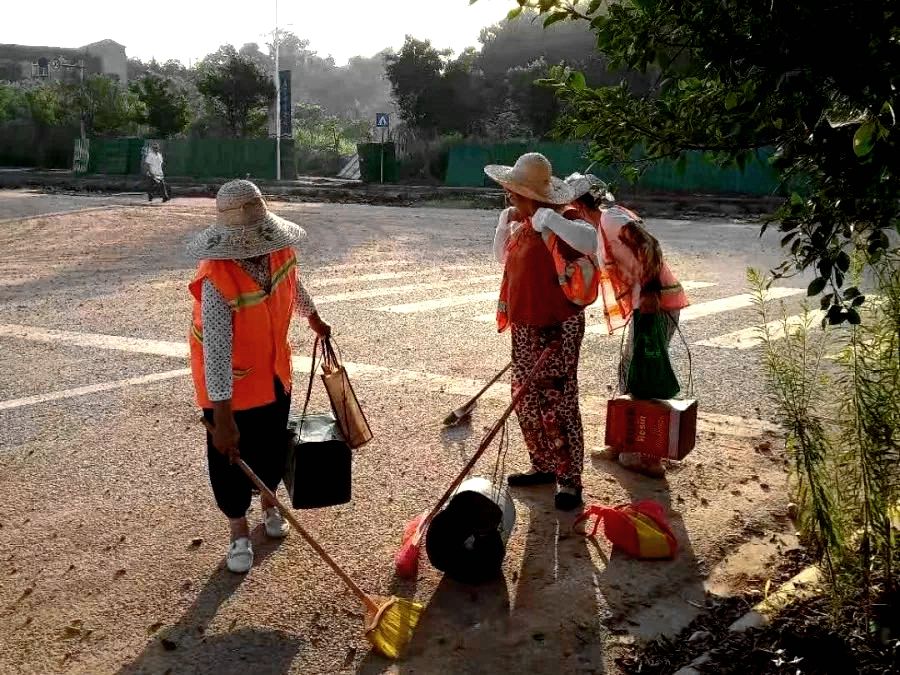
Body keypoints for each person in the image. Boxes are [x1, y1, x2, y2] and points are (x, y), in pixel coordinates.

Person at [186, 179, 332, 573]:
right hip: (229, 391)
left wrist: (314, 317)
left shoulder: (279, 249)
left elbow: (294, 284)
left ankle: (270, 505)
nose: (255, 246)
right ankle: (238, 533)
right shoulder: (217, 280)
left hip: (273, 375)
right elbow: (215, 353)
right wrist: (223, 419)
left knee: (270, 450)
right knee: (230, 464)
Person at [486, 153, 599, 511]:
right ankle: (544, 465)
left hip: (556, 327)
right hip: (523, 325)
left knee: (558, 403)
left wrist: (548, 219)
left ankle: (569, 479)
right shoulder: (522, 224)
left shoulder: (561, 219)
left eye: (514, 194)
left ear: (532, 195)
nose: (509, 198)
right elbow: (501, 259)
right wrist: (505, 224)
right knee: (526, 399)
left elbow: (590, 241)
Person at [566, 173, 689, 478]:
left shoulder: (610, 220)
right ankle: (623, 442)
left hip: (656, 305)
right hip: (646, 304)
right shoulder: (603, 225)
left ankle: (648, 454)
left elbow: (650, 245)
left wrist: (648, 292)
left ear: (581, 205)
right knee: (629, 370)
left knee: (645, 374)